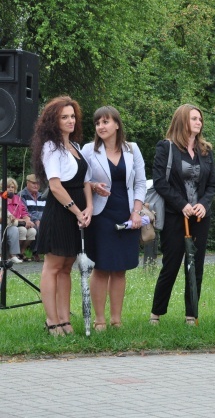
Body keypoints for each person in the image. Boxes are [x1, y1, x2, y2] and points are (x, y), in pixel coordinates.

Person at [150, 104, 215, 326]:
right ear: (182, 121)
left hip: (199, 218)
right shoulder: (166, 147)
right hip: (174, 216)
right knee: (171, 264)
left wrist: (204, 205)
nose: (199, 122)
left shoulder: (206, 150)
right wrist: (182, 205)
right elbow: (160, 182)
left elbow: (212, 185)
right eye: (194, 118)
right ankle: (156, 314)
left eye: (200, 118)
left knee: (196, 265)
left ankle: (191, 315)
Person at [31, 96, 93, 336]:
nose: (70, 120)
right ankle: (51, 320)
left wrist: (88, 208)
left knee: (67, 265)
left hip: (77, 212)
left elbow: (85, 182)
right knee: (54, 265)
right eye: (64, 117)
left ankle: (65, 320)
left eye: (72, 116)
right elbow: (55, 186)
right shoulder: (51, 147)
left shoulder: (76, 147)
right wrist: (77, 211)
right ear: (53, 121)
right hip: (60, 212)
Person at [82, 106, 146, 331]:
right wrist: (92, 185)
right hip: (101, 216)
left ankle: (116, 320)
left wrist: (136, 212)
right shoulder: (89, 150)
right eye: (97, 123)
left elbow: (140, 183)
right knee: (101, 268)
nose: (101, 126)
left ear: (117, 124)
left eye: (105, 122)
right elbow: (81, 180)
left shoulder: (132, 149)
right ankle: (99, 320)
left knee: (120, 269)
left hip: (127, 214)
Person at [1, 177, 37, 262]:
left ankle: (21, 252)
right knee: (22, 230)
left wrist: (27, 220)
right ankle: (11, 254)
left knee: (32, 231)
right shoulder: (2, 198)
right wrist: (23, 221)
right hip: (11, 224)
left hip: (20, 223)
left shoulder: (17, 198)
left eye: (12, 187)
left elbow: (24, 212)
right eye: (8, 187)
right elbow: (8, 217)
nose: (10, 189)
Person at [19, 174, 46, 262]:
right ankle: (36, 252)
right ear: (27, 183)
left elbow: (45, 210)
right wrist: (35, 220)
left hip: (43, 220)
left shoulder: (42, 196)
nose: (36, 185)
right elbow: (25, 211)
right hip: (28, 220)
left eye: (38, 183)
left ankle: (52, 253)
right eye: (33, 183)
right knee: (36, 227)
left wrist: (44, 220)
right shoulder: (22, 195)